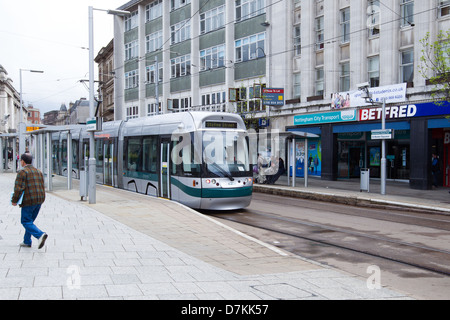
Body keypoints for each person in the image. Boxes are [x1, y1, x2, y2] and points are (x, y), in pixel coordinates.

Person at [11, 153, 48, 249]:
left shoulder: (22, 172)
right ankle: (27, 241)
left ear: (22, 161)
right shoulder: (38, 171)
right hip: (39, 200)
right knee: (30, 221)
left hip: (28, 201)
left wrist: (14, 200)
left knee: (25, 221)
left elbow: (18, 188)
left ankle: (40, 235)